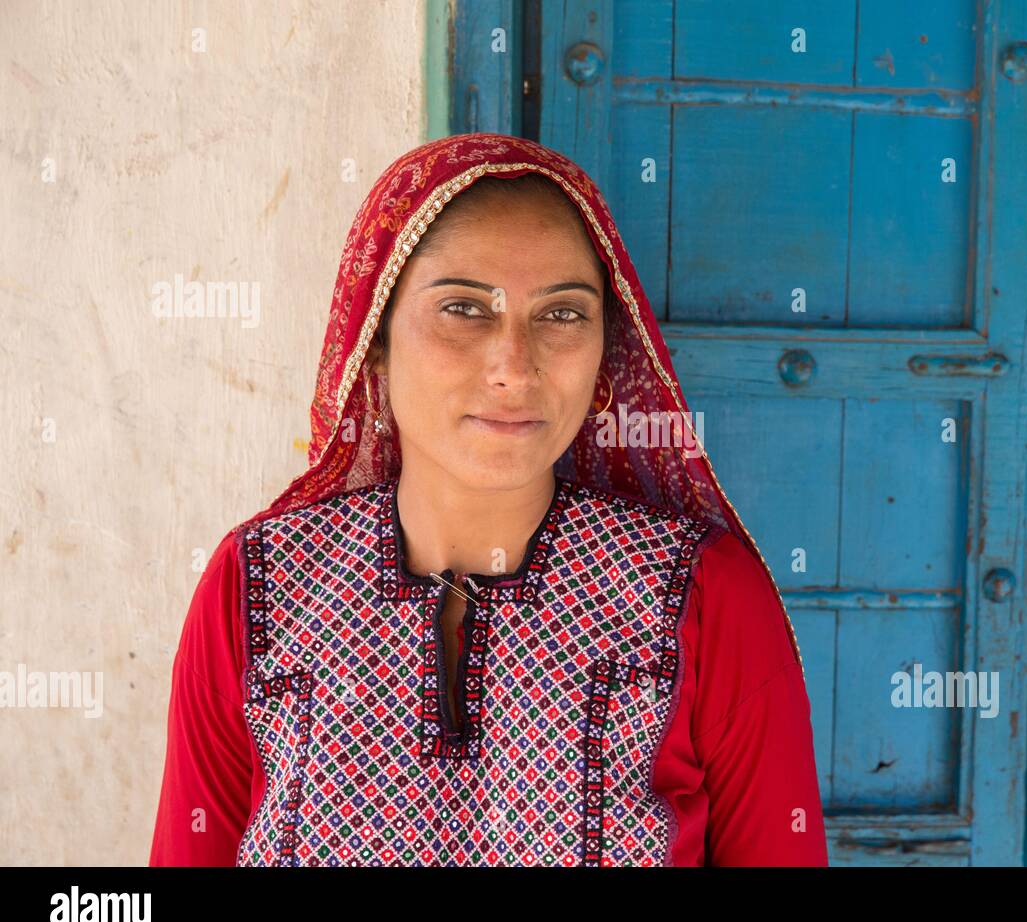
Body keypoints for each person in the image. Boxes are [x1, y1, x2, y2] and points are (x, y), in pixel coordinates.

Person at [148, 132, 827, 867]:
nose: (514, 367)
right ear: (373, 336)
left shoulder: (704, 598)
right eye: (464, 309)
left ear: (606, 350)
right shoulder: (259, 588)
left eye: (562, 313)